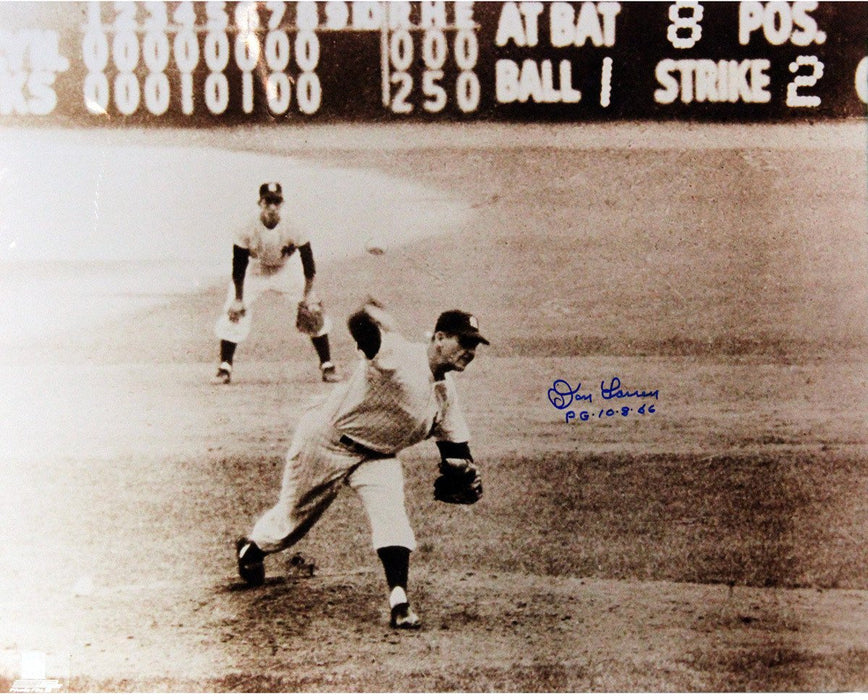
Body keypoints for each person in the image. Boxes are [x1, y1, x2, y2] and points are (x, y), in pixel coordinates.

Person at [235, 301, 488, 629]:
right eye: (464, 342)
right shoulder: (399, 354)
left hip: (377, 457)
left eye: (475, 345)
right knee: (289, 523)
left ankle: (399, 600)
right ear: (439, 337)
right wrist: (365, 315)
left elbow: (456, 448)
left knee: (392, 517)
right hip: (326, 440)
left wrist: (464, 471)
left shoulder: (446, 396)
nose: (470, 351)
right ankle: (251, 549)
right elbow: (364, 334)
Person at [211, 182, 338, 384]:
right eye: (267, 202)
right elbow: (239, 265)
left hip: (286, 269)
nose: (272, 207)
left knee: (313, 311)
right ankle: (224, 367)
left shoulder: (294, 224)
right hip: (256, 269)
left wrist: (308, 295)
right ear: (259, 203)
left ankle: (327, 365)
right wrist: (238, 298)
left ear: (282, 203)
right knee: (233, 311)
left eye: (276, 202)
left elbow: (308, 262)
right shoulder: (246, 225)